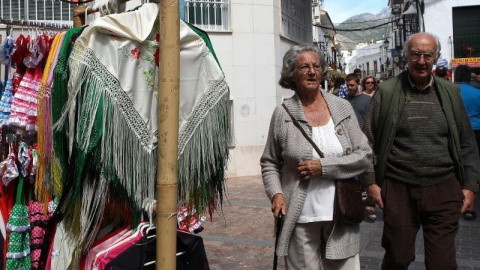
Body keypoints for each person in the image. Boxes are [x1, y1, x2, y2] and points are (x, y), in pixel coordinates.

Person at [363, 32, 480, 269]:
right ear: (406, 55)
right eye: (415, 53)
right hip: (398, 188)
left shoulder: (450, 93)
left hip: (444, 188)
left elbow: (467, 143)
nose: (421, 60)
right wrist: (370, 182)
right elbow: (366, 141)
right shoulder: (387, 91)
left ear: (436, 57)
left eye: (428, 55)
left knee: (443, 263)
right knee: (397, 257)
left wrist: (471, 186)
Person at [261, 45, 372, 270]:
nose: (312, 71)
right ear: (292, 74)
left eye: (316, 66)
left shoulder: (342, 108)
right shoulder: (283, 113)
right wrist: (276, 194)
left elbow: (364, 155)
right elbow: (270, 162)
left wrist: (324, 167)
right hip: (298, 215)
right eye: (304, 67)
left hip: (341, 213)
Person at [344, 73, 375, 221]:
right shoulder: (343, 102)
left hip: (365, 140)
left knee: (367, 169)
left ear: (358, 84)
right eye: (347, 85)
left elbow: (373, 119)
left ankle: (370, 204)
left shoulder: (367, 100)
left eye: (352, 85)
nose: (349, 88)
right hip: (348, 142)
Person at [454, 64, 480, 221]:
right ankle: (470, 207)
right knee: (474, 167)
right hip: (476, 132)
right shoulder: (477, 93)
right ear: (469, 77)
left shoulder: (449, 92)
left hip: (455, 132)